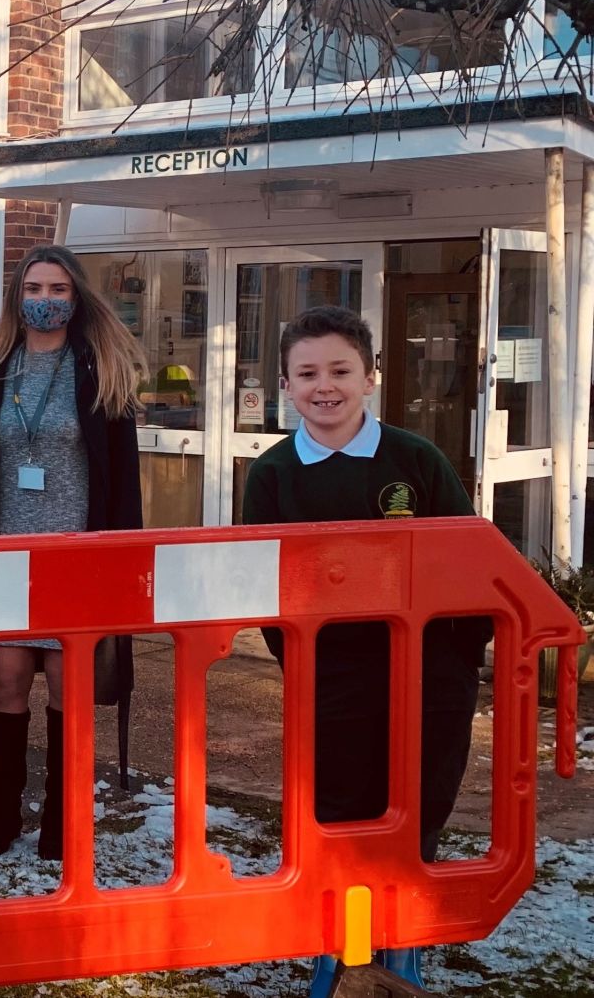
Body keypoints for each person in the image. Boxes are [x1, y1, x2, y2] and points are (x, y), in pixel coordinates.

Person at [241, 305, 490, 996]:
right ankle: (350, 960)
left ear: (371, 376)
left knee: (415, 822)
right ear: (286, 384)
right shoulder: (274, 476)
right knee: (345, 826)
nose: (326, 386)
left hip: (428, 683)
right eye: (308, 372)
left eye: (341, 370)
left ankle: (402, 953)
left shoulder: (417, 460)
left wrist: (456, 663)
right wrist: (308, 669)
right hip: (333, 687)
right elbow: (267, 591)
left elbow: (472, 564)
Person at [0, 245, 145, 861]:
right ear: (17, 296)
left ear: (76, 297)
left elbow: (123, 478)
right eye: (35, 287)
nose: (46, 299)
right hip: (6, 559)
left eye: (59, 289)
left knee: (69, 686)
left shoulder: (103, 372)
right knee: (6, 683)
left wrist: (124, 561)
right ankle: (6, 812)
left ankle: (62, 818)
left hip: (77, 562)